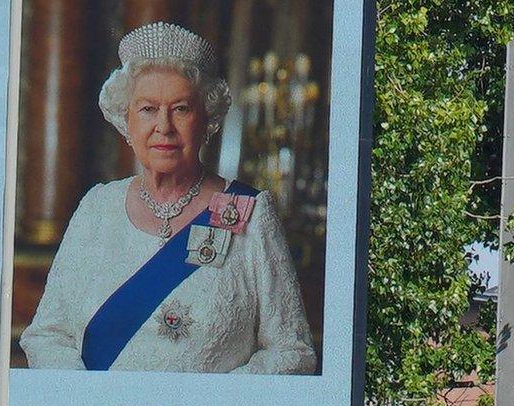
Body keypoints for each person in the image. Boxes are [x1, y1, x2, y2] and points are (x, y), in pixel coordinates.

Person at [20, 22, 316, 374]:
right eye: (147, 109)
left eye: (181, 109)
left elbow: (292, 351)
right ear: (126, 122)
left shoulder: (248, 212)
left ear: (206, 120)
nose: (164, 126)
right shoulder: (96, 209)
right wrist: (92, 404)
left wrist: (205, 405)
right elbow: (47, 336)